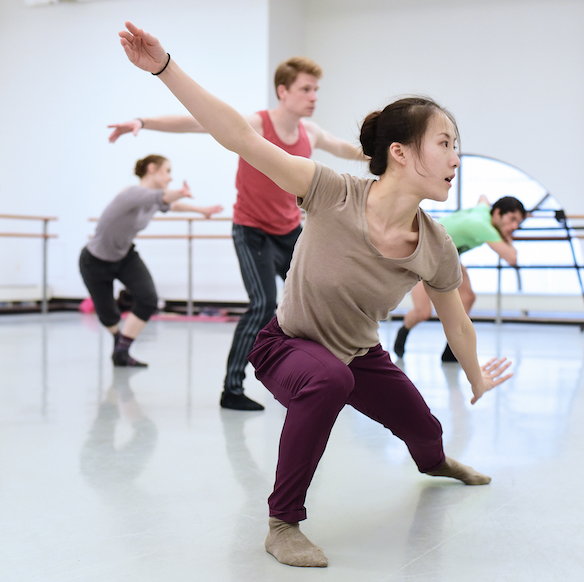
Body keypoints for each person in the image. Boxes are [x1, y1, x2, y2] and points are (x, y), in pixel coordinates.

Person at [119, 21, 513, 568]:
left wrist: (473, 374)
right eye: (445, 144)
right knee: (330, 379)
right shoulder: (330, 191)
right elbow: (239, 136)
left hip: (359, 352)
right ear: (399, 153)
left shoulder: (435, 244)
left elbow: (457, 322)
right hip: (287, 345)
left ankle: (436, 464)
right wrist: (164, 67)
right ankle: (283, 523)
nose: (455, 158)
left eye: (456, 146)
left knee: (425, 428)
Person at [108, 57, 367, 411]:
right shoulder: (256, 123)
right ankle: (232, 389)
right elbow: (197, 122)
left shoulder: (312, 132)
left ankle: (326, 379)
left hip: (291, 231)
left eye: (316, 89)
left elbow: (349, 150)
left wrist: (390, 154)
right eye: (306, 89)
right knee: (261, 304)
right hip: (252, 231)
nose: (313, 96)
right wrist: (143, 122)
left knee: (322, 298)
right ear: (283, 91)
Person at [80, 154, 223, 367]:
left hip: (124, 256)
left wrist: (201, 210)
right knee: (108, 315)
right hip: (95, 260)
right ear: (152, 168)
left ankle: (121, 351)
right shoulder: (132, 193)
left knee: (148, 300)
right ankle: (119, 343)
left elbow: (171, 206)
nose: (170, 177)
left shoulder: (152, 200)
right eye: (167, 171)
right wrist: (180, 193)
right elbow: (164, 198)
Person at [394, 195, 526, 361]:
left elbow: (483, 198)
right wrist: (507, 237)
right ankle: (404, 331)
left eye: (518, 223)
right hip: (424, 253)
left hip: (448, 257)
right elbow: (512, 258)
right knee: (423, 312)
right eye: (512, 219)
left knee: (468, 297)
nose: (514, 226)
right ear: (498, 213)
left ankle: (451, 349)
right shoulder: (482, 226)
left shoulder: (484, 211)